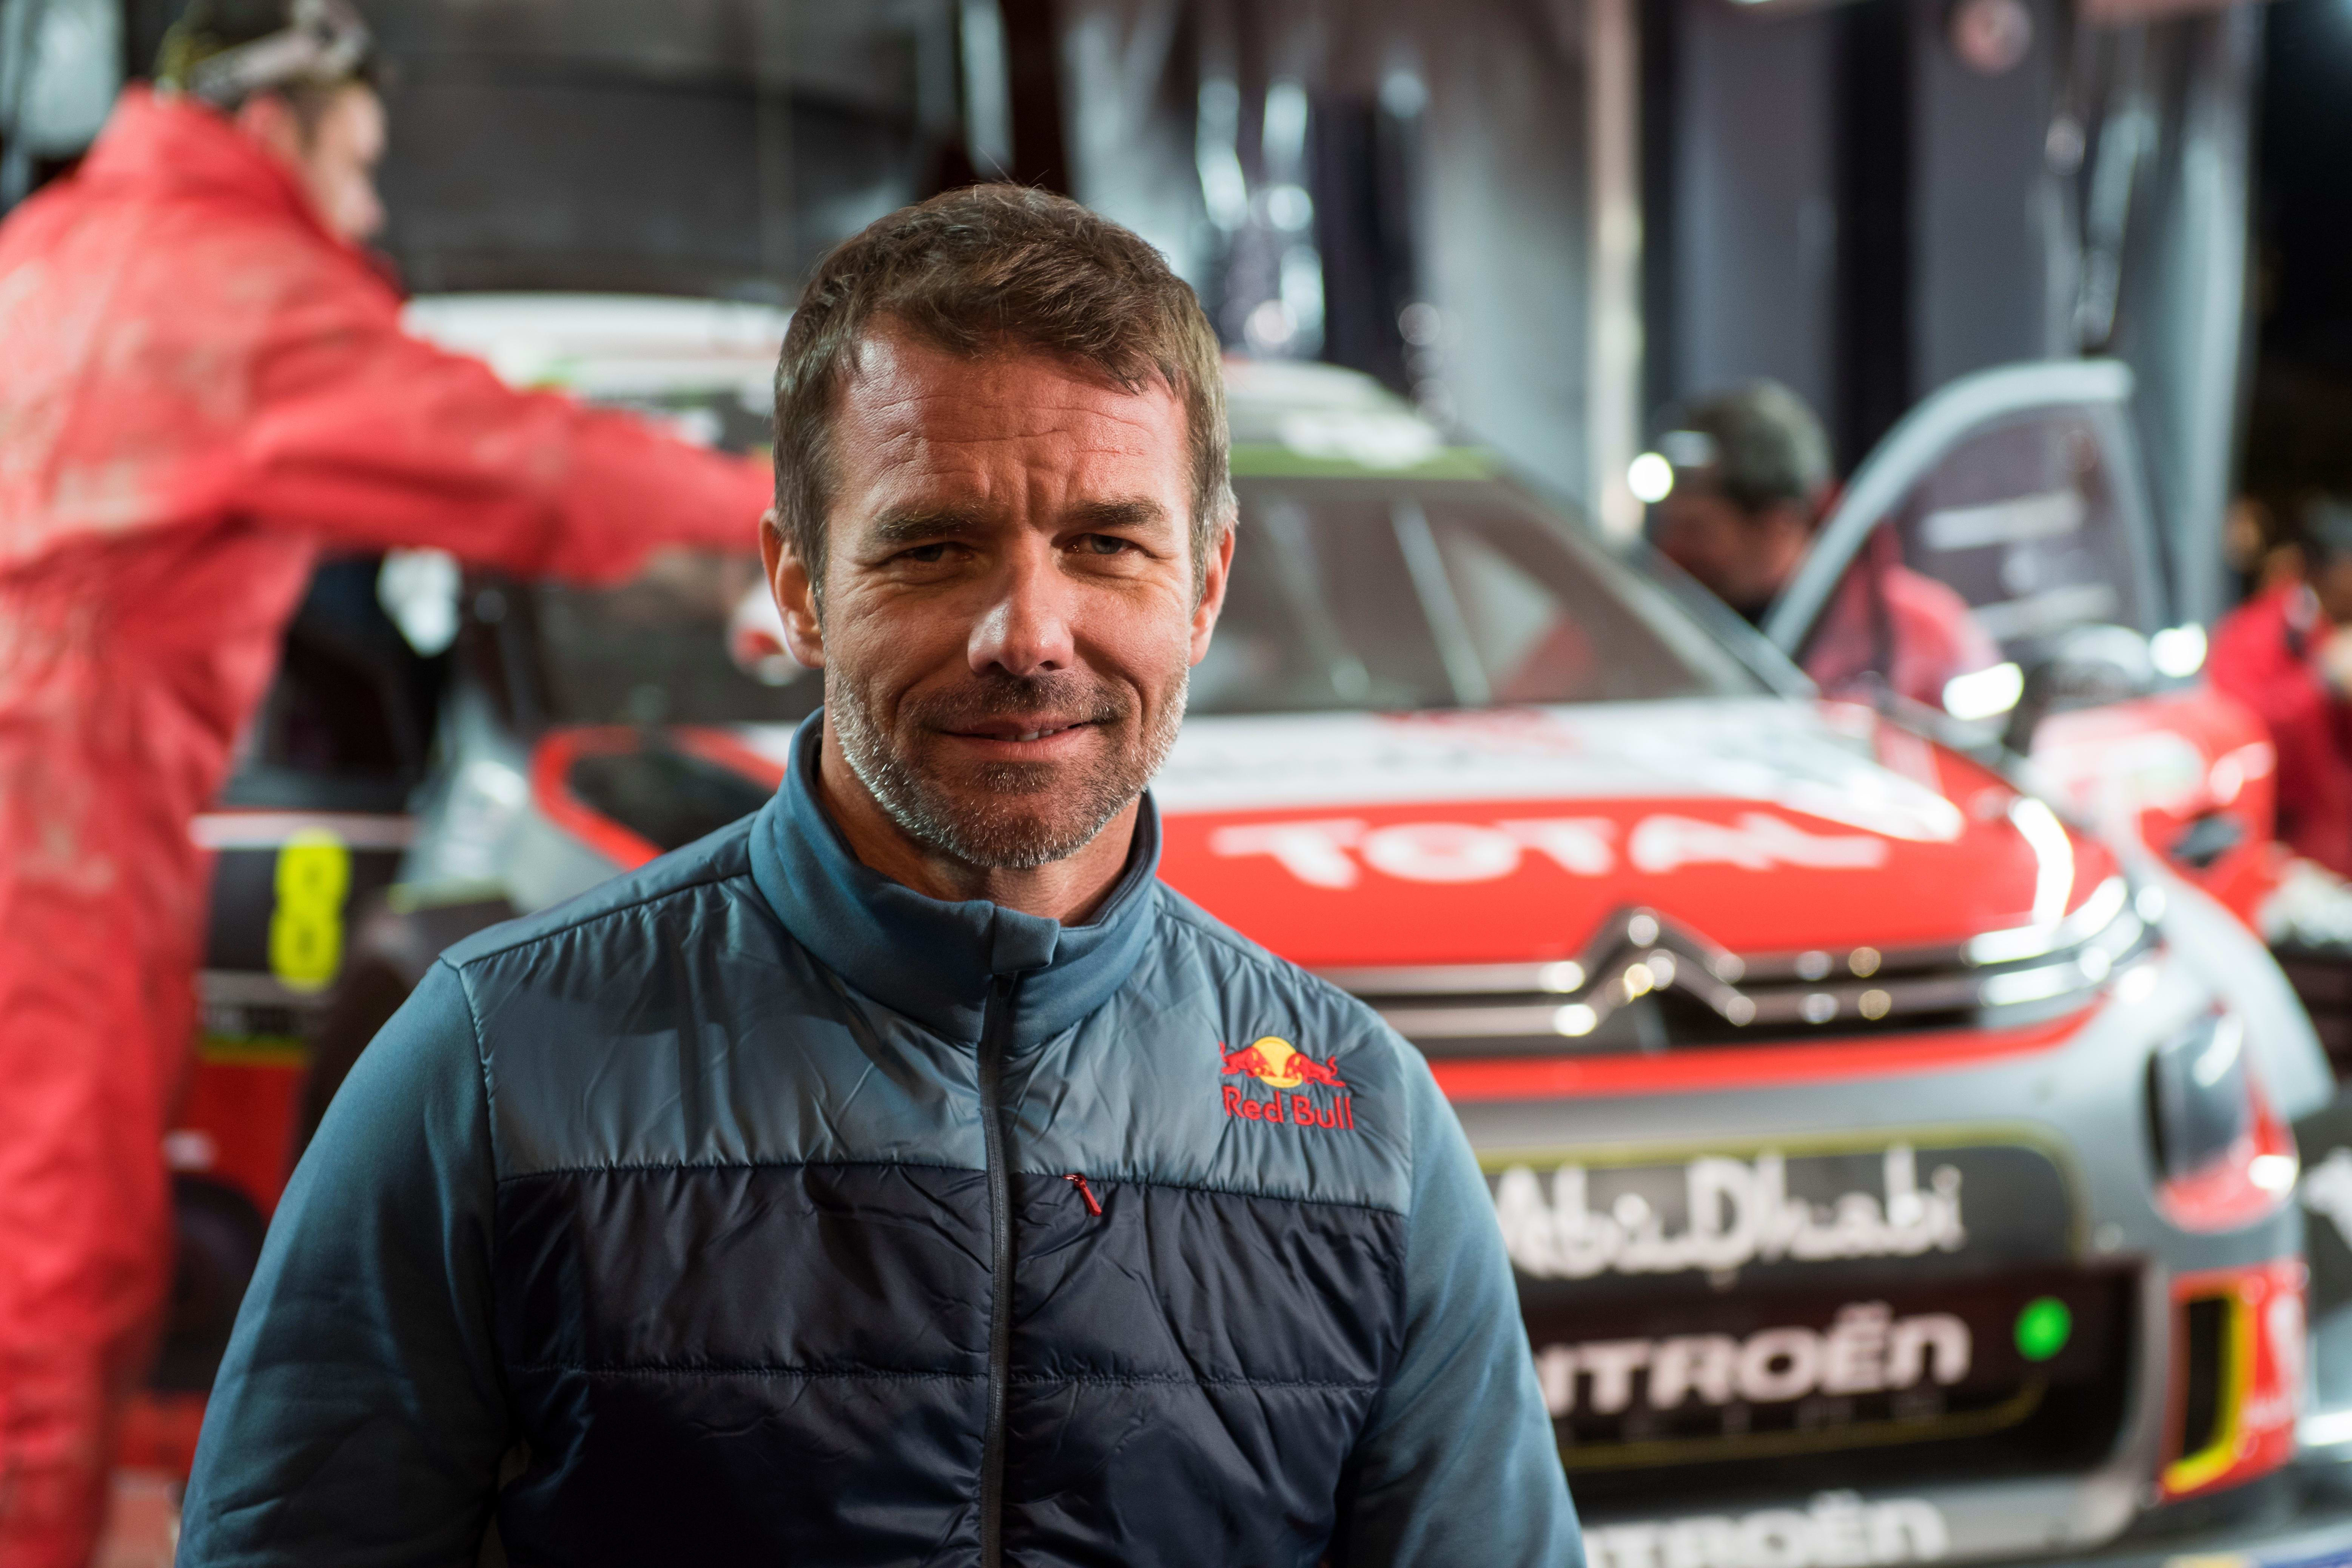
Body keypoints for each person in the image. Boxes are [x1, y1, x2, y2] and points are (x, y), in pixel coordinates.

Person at [176, 185, 1580, 1566]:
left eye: (1106, 545)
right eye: (933, 547)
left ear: (1203, 586)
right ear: (799, 586)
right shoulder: (494, 1068)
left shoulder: (1365, 1122)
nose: (1027, 633)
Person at [0, 3, 772, 1560]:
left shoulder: (55, 243)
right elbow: (521, 465)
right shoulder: (231, 287)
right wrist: (771, 509)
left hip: (63, 782)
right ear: (275, 118)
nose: (367, 199)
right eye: (358, 155)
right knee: (52, 1269)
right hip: (52, 809)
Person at [1651, 382, 1995, 708]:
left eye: (1697, 531)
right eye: (1670, 524)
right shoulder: (1656, 621)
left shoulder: (1924, 634)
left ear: (1778, 525)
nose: (1673, 548)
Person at [2209, 498, 2352, 878]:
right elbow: (2239, 732)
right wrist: (2322, 682)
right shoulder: (2253, 633)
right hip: (2290, 859)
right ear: (2323, 571)